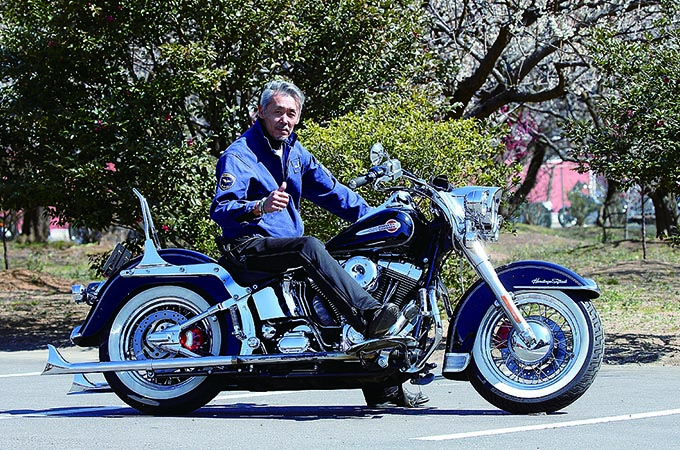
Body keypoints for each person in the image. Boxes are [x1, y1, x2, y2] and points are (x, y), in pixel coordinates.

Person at [210, 80, 428, 407]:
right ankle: (370, 317)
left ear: (298, 117)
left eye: (291, 113)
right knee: (309, 247)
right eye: (277, 112)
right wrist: (258, 207)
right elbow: (221, 209)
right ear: (261, 113)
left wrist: (379, 218)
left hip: (283, 247)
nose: (284, 120)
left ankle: (384, 384)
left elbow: (334, 193)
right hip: (248, 246)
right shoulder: (240, 155)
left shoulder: (295, 153)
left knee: (359, 260)